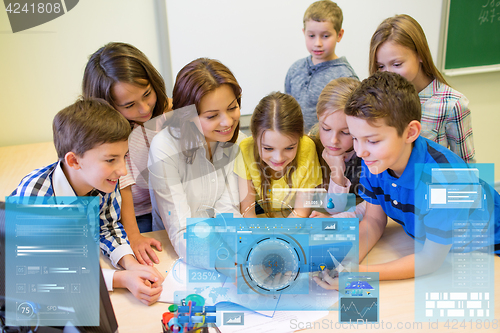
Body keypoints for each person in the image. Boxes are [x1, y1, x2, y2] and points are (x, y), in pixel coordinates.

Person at [337, 71, 498, 284]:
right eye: (356, 138)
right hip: (439, 248)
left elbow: (430, 261)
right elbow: (374, 220)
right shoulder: (374, 161)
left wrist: (360, 275)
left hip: (486, 251)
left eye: (373, 141)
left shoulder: (446, 180)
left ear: (411, 132)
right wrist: (346, 264)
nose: (360, 152)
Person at [11, 98, 164, 305]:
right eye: (111, 159)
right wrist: (120, 279)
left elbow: (107, 227)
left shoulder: (103, 180)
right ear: (74, 161)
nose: (123, 170)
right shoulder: (35, 199)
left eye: (123, 157)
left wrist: (130, 264)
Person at [83, 42, 171, 266]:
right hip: (132, 214)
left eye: (147, 94)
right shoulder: (111, 135)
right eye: (130, 104)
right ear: (108, 105)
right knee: (143, 258)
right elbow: (124, 184)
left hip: (166, 204)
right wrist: (133, 235)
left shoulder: (165, 111)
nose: (143, 109)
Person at [148, 58, 243, 259]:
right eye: (212, 116)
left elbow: (229, 211)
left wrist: (245, 251)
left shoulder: (239, 142)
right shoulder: (164, 148)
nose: (227, 122)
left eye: (232, 107)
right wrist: (228, 264)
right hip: (172, 251)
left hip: (223, 245)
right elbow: (181, 232)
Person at [369, 14, 475, 162]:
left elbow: (467, 167)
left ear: (421, 55)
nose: (389, 74)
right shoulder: (376, 97)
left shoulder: (452, 104)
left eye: (397, 64)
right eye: (381, 66)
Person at [235, 92, 322, 218]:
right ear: (254, 137)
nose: (278, 158)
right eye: (268, 148)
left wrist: (280, 236)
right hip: (261, 213)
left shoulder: (307, 147)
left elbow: (301, 211)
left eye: (289, 148)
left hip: (291, 214)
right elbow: (248, 211)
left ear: (299, 138)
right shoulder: (245, 149)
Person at [285, 0, 358, 132]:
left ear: (339, 35)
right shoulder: (295, 69)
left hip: (329, 147)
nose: (317, 43)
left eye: (325, 36)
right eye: (311, 35)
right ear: (304, 33)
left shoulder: (345, 76)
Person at [308, 77, 366, 220]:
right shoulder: (312, 143)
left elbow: (373, 209)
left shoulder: (368, 153)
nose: (333, 140)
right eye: (326, 128)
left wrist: (337, 172)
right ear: (318, 118)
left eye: (345, 132)